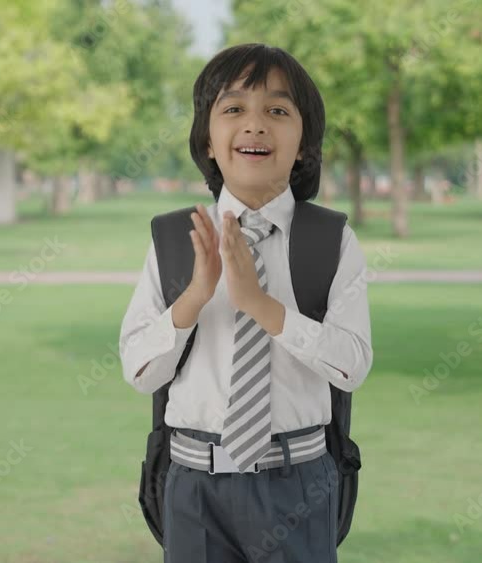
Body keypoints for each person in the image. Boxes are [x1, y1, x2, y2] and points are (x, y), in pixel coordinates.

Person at [119, 43, 373, 563]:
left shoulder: (330, 239)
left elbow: (351, 367)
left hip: (299, 483)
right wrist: (195, 295)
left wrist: (262, 305)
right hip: (195, 485)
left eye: (278, 111)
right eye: (233, 109)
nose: (255, 125)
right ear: (208, 141)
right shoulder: (175, 239)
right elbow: (140, 371)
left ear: (304, 142)